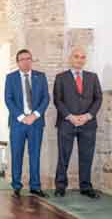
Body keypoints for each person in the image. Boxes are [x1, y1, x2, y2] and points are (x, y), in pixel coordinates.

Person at [53, 47, 103, 199]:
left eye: (82, 57)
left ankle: (86, 186)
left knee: (86, 156)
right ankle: (60, 186)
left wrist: (88, 116)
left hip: (88, 124)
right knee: (63, 156)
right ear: (71, 58)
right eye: (76, 56)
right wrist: (70, 116)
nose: (79, 59)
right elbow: (57, 99)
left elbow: (98, 98)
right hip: (67, 123)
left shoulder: (93, 77)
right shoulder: (61, 77)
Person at [4, 49, 50, 198]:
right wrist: (21, 117)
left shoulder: (40, 77)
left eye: (29, 58)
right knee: (16, 154)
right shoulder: (10, 78)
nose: (26, 61)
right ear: (18, 62)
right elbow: (8, 99)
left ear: (32, 60)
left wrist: (35, 115)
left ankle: (35, 186)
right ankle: (16, 186)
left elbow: (45, 98)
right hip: (18, 123)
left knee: (35, 154)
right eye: (22, 59)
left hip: (36, 122)